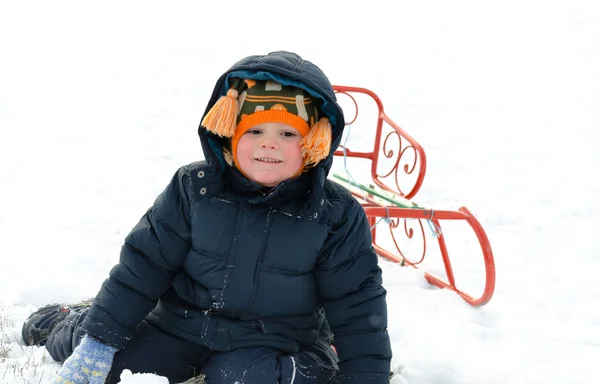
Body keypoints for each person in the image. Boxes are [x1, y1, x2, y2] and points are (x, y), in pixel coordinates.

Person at [22, 50, 392, 383]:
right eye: (256, 130)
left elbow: (358, 304)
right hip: (181, 326)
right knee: (117, 364)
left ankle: (319, 361)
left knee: (244, 378)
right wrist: (98, 343)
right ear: (229, 136)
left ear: (314, 143)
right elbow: (142, 268)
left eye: (287, 133)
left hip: (273, 340)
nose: (270, 143)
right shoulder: (194, 189)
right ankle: (72, 322)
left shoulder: (333, 214)